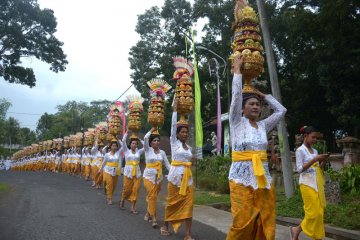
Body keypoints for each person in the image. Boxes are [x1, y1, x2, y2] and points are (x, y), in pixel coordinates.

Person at [226, 55, 287, 240]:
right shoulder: (236, 123)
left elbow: (281, 111)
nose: (256, 107)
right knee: (242, 221)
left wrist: (263, 96)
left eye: (258, 105)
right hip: (240, 178)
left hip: (263, 179)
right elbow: (236, 97)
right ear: (242, 109)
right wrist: (237, 72)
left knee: (265, 219)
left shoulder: (263, 126)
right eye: (251, 104)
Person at [160, 98, 195, 240]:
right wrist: (174, 111)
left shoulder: (189, 148)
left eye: (186, 132)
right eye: (182, 132)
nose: (185, 134)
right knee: (171, 203)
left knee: (189, 204)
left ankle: (187, 234)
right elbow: (173, 127)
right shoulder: (174, 143)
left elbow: (189, 160)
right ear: (178, 134)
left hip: (188, 179)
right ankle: (165, 226)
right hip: (175, 178)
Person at [290, 126, 328, 240]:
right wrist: (315, 159)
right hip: (306, 184)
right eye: (313, 137)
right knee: (313, 213)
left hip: (316, 183)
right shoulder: (300, 150)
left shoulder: (315, 151)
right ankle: (296, 230)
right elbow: (299, 169)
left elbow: (318, 169)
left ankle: (315, 236)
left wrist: (323, 161)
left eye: (316, 138)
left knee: (319, 213)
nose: (315, 140)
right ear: (305, 136)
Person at [143, 127, 171, 228]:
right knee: (152, 196)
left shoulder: (162, 153)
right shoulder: (147, 150)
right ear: (151, 143)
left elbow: (168, 165)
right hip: (148, 177)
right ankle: (154, 218)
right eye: (154, 140)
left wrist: (175, 172)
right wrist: (151, 130)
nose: (156, 142)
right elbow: (145, 138)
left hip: (159, 179)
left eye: (158, 140)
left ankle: (148, 213)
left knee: (153, 197)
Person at [119, 131, 144, 214]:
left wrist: (139, 139)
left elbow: (146, 147)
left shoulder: (138, 152)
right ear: (130, 144)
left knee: (135, 190)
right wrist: (127, 132)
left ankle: (133, 207)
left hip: (137, 174)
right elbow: (123, 141)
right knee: (127, 190)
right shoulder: (126, 151)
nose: (134, 145)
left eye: (136, 144)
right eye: (133, 143)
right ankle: (123, 200)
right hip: (128, 173)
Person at [99, 139, 123, 205]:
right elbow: (104, 163)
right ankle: (110, 198)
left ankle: (109, 195)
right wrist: (100, 170)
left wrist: (119, 140)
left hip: (115, 171)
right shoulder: (107, 154)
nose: (114, 147)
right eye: (113, 146)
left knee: (114, 185)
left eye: (115, 146)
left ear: (117, 147)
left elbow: (123, 146)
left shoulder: (118, 153)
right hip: (107, 171)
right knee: (110, 184)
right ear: (111, 147)